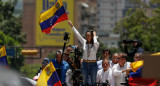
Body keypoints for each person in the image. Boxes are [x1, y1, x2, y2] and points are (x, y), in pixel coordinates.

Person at [68, 20, 99, 86]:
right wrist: (72, 26)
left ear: (92, 37)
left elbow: (95, 42)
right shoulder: (84, 42)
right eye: (86, 36)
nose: (87, 37)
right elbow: (78, 35)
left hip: (93, 64)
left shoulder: (96, 44)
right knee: (84, 81)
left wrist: (95, 35)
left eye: (88, 36)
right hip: (85, 64)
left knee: (93, 82)